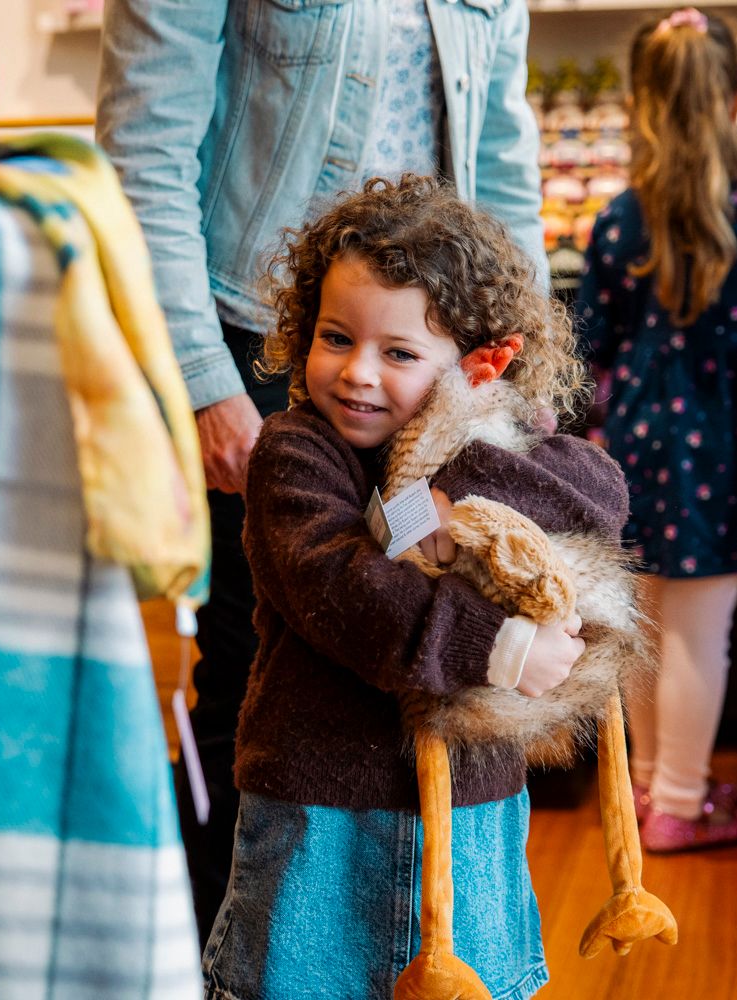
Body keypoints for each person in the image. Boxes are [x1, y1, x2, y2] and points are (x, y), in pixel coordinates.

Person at [95, 0, 545, 939]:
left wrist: (523, 376)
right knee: (263, 667)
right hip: (265, 346)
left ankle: (404, 944)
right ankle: (234, 956)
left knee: (424, 660)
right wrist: (202, 380)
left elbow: (503, 156)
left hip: (442, 360)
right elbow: (143, 149)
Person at [199, 175, 624, 998]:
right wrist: (502, 647)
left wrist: (451, 458)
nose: (357, 374)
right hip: (320, 809)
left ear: (474, 366)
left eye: (399, 353)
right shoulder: (295, 454)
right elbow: (344, 590)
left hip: (470, 809)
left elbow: (597, 492)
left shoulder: (488, 448)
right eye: (335, 337)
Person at [575, 8, 737, 853]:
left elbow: (591, 342)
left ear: (642, 102)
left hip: (640, 441)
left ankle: (649, 788)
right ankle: (683, 799)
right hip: (730, 440)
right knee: (700, 633)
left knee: (644, 622)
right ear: (730, 96)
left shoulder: (617, 219)